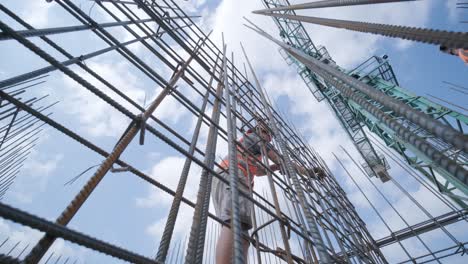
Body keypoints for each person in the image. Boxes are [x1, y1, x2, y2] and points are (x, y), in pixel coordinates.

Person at [211, 119, 325, 263]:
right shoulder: (254, 138)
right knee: (234, 222)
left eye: (269, 136)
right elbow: (280, 159)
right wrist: (306, 171)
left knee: (243, 233)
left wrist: (276, 168)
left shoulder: (249, 146)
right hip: (233, 174)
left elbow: (258, 171)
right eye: (265, 133)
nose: (267, 138)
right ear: (257, 130)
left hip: (226, 176)